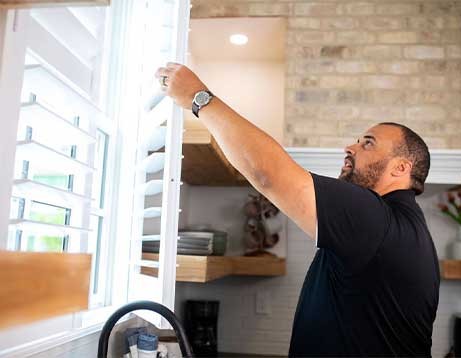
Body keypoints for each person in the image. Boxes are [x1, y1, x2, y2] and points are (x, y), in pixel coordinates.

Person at [156, 63, 440, 357]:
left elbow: (267, 173)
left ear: (401, 168)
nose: (349, 148)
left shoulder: (376, 219)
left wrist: (197, 97)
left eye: (367, 144)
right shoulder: (400, 225)